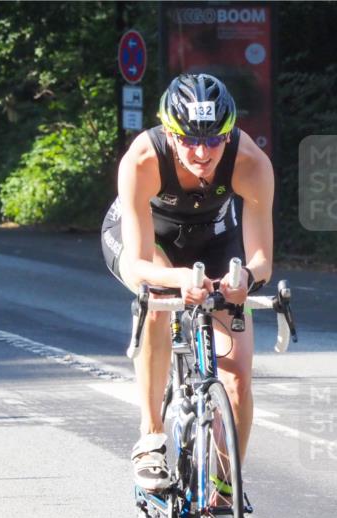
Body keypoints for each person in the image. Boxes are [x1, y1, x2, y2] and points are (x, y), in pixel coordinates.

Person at [100, 73, 274, 490]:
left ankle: (225, 491)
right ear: (169, 132)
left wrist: (244, 279)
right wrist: (178, 279)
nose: (202, 151)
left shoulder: (250, 162)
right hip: (151, 242)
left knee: (238, 378)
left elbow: (262, 259)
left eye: (215, 139)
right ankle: (151, 437)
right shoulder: (143, 159)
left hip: (215, 239)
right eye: (190, 139)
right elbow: (139, 263)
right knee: (158, 297)